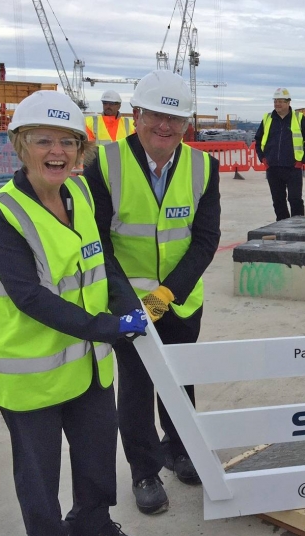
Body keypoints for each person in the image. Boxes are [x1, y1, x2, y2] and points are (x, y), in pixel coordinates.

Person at [0, 90, 146, 535]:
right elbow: (30, 298)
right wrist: (109, 328)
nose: (57, 152)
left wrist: (133, 309)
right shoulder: (0, 217)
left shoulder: (79, 192)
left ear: (80, 150)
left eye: (68, 142)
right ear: (20, 145)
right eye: (43, 141)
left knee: (95, 459)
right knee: (39, 479)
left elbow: (101, 263)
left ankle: (93, 523)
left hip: (87, 366)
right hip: (31, 376)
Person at [85, 70, 222, 515]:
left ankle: (181, 449)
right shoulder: (104, 164)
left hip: (181, 300)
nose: (165, 127)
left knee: (181, 381)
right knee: (138, 389)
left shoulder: (204, 166)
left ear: (187, 125)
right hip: (127, 303)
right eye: (156, 115)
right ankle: (144, 471)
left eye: (176, 119)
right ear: (137, 115)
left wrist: (166, 294)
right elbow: (98, 245)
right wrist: (130, 303)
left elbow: (205, 239)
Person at [254, 87, 305, 220]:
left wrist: (302, 160)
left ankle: (298, 228)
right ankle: (282, 227)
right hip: (273, 168)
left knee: (295, 199)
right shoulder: (268, 119)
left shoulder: (299, 118)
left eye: (280, 101)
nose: (277, 104)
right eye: (275, 101)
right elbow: (258, 140)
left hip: (293, 168)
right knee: (278, 201)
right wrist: (263, 158)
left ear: (288, 102)